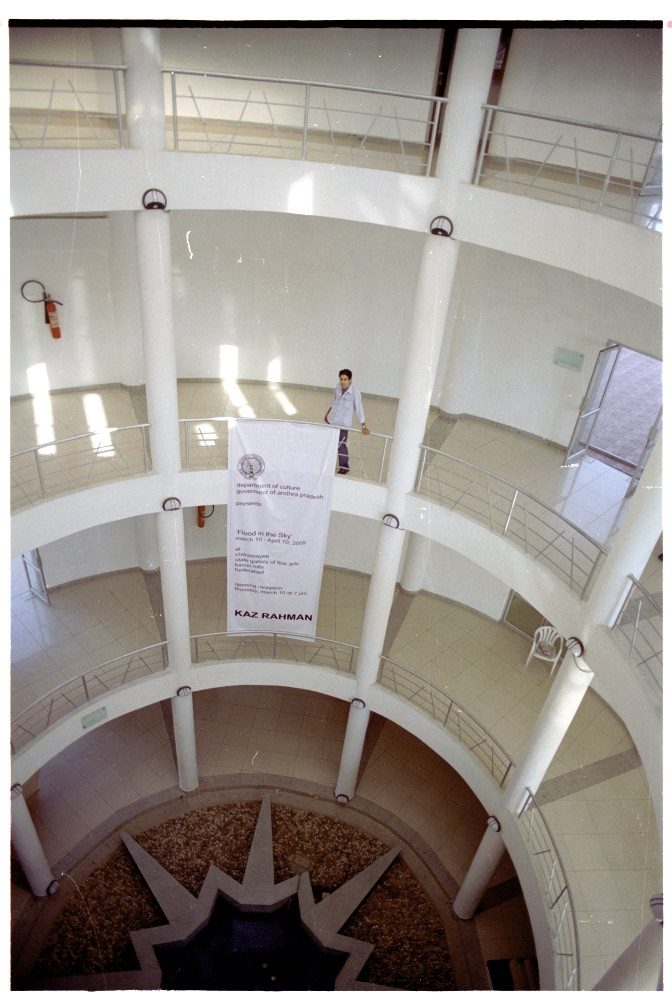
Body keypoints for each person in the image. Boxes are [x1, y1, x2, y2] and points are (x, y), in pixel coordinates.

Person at [323, 368, 369, 474]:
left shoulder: (355, 393)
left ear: (350, 380)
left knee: (341, 445)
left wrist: (363, 425)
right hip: (332, 421)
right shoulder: (338, 387)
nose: (343, 382)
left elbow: (359, 408)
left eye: (345, 379)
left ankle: (344, 467)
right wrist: (327, 414)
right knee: (330, 442)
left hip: (343, 424)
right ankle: (328, 464)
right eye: (341, 379)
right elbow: (333, 402)